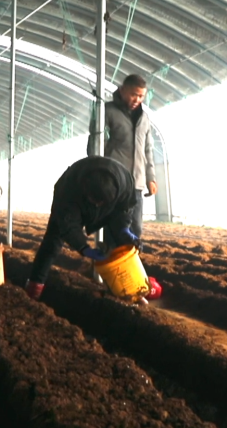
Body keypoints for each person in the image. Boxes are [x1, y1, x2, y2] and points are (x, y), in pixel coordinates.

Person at [24, 156, 140, 301]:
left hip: (110, 205)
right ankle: (34, 286)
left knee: (119, 242)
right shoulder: (68, 191)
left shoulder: (125, 182)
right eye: (94, 201)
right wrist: (84, 248)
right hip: (73, 201)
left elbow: (125, 207)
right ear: (86, 191)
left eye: (100, 202)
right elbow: (68, 225)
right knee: (52, 242)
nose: (96, 205)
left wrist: (124, 228)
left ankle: (129, 290)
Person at [87, 74, 157, 251]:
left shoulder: (145, 118)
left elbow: (148, 150)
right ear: (122, 90)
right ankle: (111, 268)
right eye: (134, 94)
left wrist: (151, 178)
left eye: (141, 96)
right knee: (114, 229)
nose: (137, 99)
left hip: (137, 184)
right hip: (114, 183)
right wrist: (99, 175)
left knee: (136, 229)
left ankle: (130, 272)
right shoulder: (107, 111)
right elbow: (95, 142)